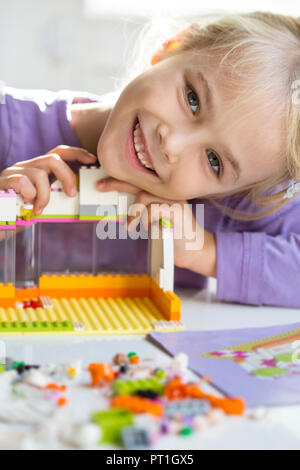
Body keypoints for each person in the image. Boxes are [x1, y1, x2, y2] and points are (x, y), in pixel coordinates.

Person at [0, 11, 299, 307]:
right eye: (192, 99)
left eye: (214, 161)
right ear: (171, 46)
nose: (174, 145)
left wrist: (205, 252)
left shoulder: (231, 203)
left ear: (235, 191)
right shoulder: (6, 125)